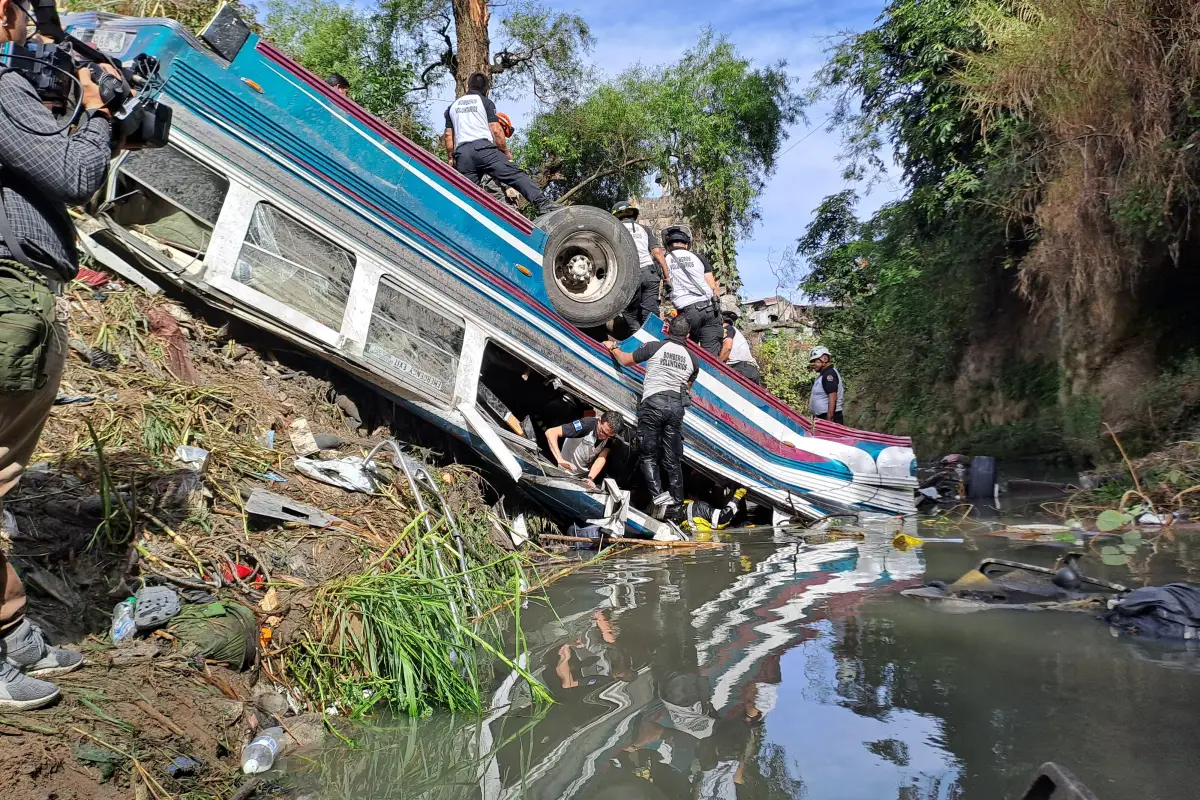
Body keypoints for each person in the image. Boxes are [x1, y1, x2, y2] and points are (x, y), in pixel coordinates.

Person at [0, 0, 123, 709]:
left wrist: (89, 122)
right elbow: (78, 177)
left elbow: (70, 174)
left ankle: (13, 629)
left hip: (23, 295)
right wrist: (96, 110)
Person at [606, 314, 698, 516]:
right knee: (672, 458)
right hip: (675, 409)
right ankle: (677, 505)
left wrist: (611, 346)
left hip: (653, 405)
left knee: (648, 456)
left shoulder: (654, 347)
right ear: (688, 336)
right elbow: (686, 388)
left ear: (667, 329)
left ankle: (658, 500)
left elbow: (624, 360)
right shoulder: (693, 360)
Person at [443, 72, 558, 215]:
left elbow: (448, 136)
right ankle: (543, 204)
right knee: (516, 175)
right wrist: (505, 152)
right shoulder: (485, 102)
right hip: (484, 149)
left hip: (463, 155)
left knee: (468, 196)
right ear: (487, 90)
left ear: (468, 86)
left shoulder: (452, 107)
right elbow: (496, 131)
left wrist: (450, 158)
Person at [660, 226, 722, 356]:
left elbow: (663, 289)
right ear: (687, 244)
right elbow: (713, 287)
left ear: (668, 245)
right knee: (711, 357)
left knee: (687, 354)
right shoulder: (698, 257)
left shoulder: (664, 261)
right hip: (710, 309)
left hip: (688, 313)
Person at [612, 201, 668, 333]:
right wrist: (667, 277)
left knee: (630, 314)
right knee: (651, 313)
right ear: (633, 214)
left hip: (630, 275)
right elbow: (658, 253)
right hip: (649, 273)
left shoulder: (614, 230)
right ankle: (655, 341)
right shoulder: (645, 229)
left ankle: (638, 343)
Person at [545, 410, 623, 487]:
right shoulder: (585, 425)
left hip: (582, 477)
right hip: (563, 471)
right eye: (602, 431)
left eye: (608, 435)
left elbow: (601, 458)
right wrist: (560, 459)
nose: (604, 437)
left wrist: (590, 478)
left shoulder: (610, 438)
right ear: (599, 421)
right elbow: (551, 432)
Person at [672, 488, 746, 533]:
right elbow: (723, 518)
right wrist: (737, 497)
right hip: (705, 543)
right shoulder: (699, 507)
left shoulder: (675, 510)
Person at [719, 310, 763, 386]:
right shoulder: (736, 333)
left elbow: (727, 348)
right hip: (750, 369)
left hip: (741, 369)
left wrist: (716, 365)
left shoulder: (727, 328)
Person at [808, 345, 844, 424]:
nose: (813, 364)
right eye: (812, 362)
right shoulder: (824, 374)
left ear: (825, 358)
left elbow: (833, 396)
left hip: (829, 418)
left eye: (815, 361)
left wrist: (829, 421)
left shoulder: (829, 374)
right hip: (822, 418)